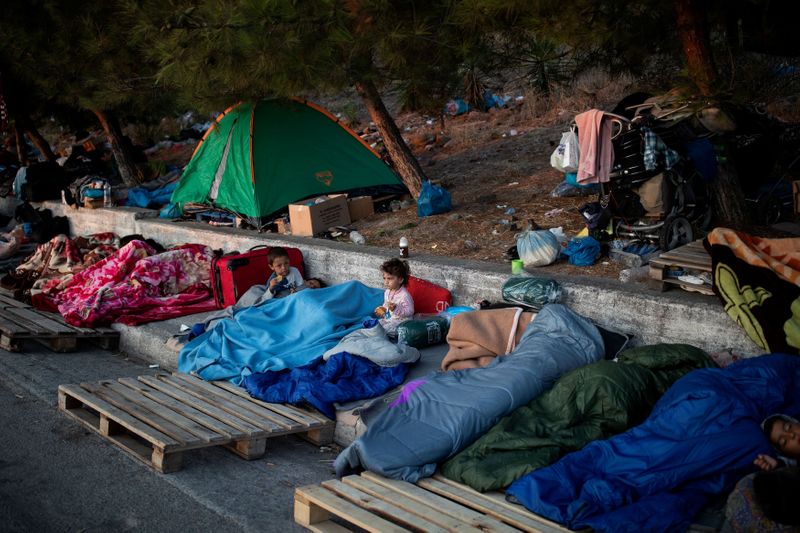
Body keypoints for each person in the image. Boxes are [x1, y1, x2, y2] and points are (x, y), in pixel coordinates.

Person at [374, 258, 414, 333]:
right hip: (390, 318)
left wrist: (396, 309)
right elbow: (386, 304)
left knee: (385, 330)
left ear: (400, 280)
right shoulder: (387, 292)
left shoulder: (404, 295)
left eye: (389, 278)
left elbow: (410, 311)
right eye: (384, 278)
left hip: (401, 321)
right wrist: (382, 310)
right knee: (376, 325)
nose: (386, 282)